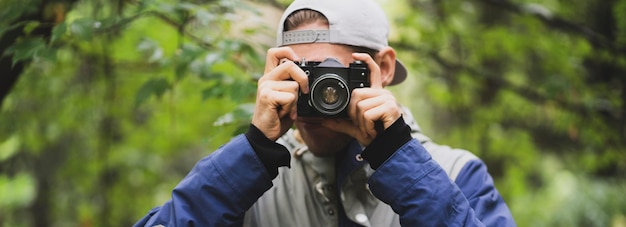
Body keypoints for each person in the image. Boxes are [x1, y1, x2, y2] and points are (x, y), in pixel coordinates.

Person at [134, 0, 516, 226]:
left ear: (381, 69)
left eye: (330, 75)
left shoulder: (455, 173)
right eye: (299, 73)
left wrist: (398, 158)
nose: (316, 92)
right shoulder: (247, 187)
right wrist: (252, 153)